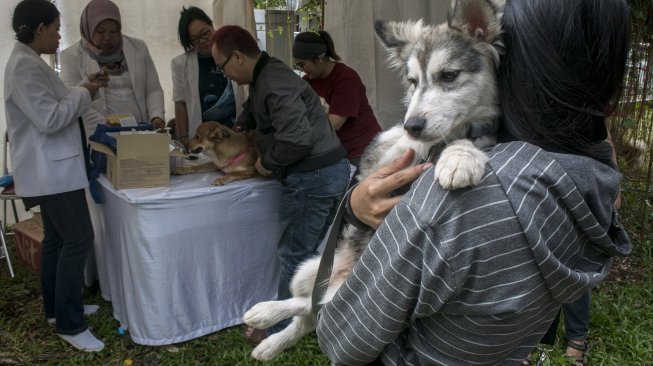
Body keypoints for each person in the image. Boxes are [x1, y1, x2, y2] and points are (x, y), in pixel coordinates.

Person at [315, 0, 633, 364]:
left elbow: (340, 339)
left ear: (518, 58)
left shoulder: (453, 206)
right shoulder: (598, 177)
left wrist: (355, 213)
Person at [209, 25, 351, 339]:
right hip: (328, 172)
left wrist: (265, 162)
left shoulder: (273, 81)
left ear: (237, 57)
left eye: (222, 67)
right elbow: (253, 112)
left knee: (296, 255)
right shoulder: (265, 75)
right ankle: (318, 313)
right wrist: (239, 128)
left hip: (314, 177)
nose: (225, 74)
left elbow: (297, 139)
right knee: (316, 252)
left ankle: (279, 326)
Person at [5, 0, 109, 352]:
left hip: (53, 170)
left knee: (56, 240)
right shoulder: (24, 67)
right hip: (52, 173)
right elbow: (50, 119)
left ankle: (55, 309)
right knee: (79, 238)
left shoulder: (31, 62)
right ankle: (70, 322)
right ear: (39, 29)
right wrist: (84, 93)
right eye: (55, 27)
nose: (58, 34)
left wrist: (83, 85)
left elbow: (55, 103)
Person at [60, 0, 165, 138]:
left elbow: (153, 89)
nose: (107, 37)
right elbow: (74, 100)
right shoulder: (70, 56)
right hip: (99, 134)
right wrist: (109, 128)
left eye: (114, 31)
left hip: (142, 130)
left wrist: (156, 117)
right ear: (88, 28)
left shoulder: (138, 47)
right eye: (100, 31)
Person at [292, 31, 382, 170]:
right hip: (338, 152)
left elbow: (335, 124)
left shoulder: (346, 79)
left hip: (363, 152)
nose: (302, 70)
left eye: (302, 64)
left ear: (320, 58)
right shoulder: (308, 82)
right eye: (298, 66)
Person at [171, 6, 248, 140]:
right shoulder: (180, 64)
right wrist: (183, 137)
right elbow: (180, 102)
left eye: (205, 33)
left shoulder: (233, 51)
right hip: (204, 140)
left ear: (212, 26)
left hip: (236, 134)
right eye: (194, 39)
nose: (201, 41)